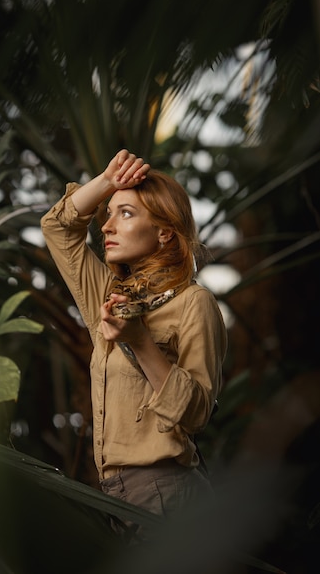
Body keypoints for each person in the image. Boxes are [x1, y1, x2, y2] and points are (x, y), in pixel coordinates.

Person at [41, 149, 227, 524]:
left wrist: (140, 342)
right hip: (112, 494)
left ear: (164, 233)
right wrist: (109, 181)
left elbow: (196, 414)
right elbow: (58, 227)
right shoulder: (110, 296)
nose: (106, 227)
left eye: (125, 214)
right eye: (108, 214)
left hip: (169, 491)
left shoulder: (195, 303)